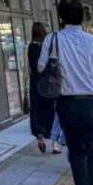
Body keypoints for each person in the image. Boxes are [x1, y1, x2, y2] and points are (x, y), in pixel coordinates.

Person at [39, 0, 93, 185]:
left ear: (60, 17)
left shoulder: (52, 39)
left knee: (76, 152)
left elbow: (41, 68)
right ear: (83, 17)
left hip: (67, 104)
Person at [26, 21, 56, 153]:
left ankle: (39, 136)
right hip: (48, 82)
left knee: (36, 109)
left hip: (34, 82)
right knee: (50, 109)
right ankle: (55, 143)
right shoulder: (48, 46)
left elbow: (26, 68)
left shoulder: (29, 47)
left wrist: (25, 87)